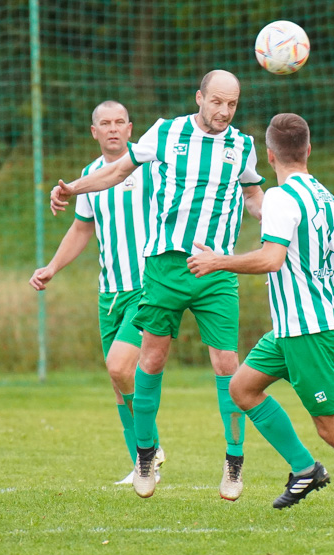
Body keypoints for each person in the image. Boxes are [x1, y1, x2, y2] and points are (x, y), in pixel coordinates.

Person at [186, 113, 334, 526]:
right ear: (308, 150)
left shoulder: (280, 198)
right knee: (242, 388)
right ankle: (305, 470)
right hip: (290, 329)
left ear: (268, 154)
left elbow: (271, 258)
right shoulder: (325, 196)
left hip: (307, 330)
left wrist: (217, 262)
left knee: (333, 428)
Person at [50, 70, 265, 501]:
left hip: (217, 269)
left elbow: (253, 196)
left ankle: (234, 460)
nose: (224, 112)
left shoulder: (242, 146)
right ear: (199, 98)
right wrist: (73, 188)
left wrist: (282, 221)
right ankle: (145, 454)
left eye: (232, 105)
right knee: (149, 359)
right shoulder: (166, 133)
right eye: (217, 102)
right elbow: (116, 172)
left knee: (227, 364)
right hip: (164, 267)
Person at [30, 100, 165, 485]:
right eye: (105, 123)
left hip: (148, 286)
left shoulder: (152, 169)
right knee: (118, 382)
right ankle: (143, 462)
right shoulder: (89, 176)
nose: (112, 128)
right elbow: (81, 229)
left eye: (120, 122)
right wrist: (52, 267)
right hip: (110, 292)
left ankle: (150, 448)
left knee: (120, 367)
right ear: (94, 131)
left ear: (130, 128)